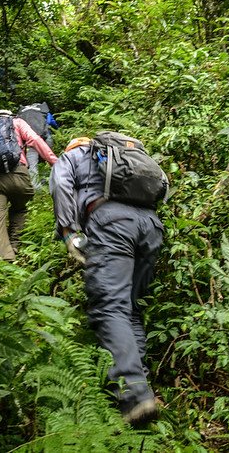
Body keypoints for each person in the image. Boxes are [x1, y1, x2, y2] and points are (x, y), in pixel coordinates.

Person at [49, 136, 164, 426]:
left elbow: (61, 185)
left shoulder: (73, 156)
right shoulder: (124, 159)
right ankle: (142, 385)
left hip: (112, 224)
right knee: (130, 308)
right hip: (151, 226)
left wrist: (69, 232)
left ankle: (135, 396)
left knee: (110, 308)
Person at [0, 109, 58, 261]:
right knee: (19, 208)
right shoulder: (17, 122)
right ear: (10, 115)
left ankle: (5, 258)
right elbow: (35, 140)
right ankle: (15, 244)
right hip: (18, 177)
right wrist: (54, 162)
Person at [17, 102, 59, 190]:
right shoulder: (43, 111)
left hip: (30, 142)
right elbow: (51, 122)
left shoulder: (23, 114)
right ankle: (49, 183)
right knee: (46, 161)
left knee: (33, 165)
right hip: (45, 139)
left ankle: (36, 188)